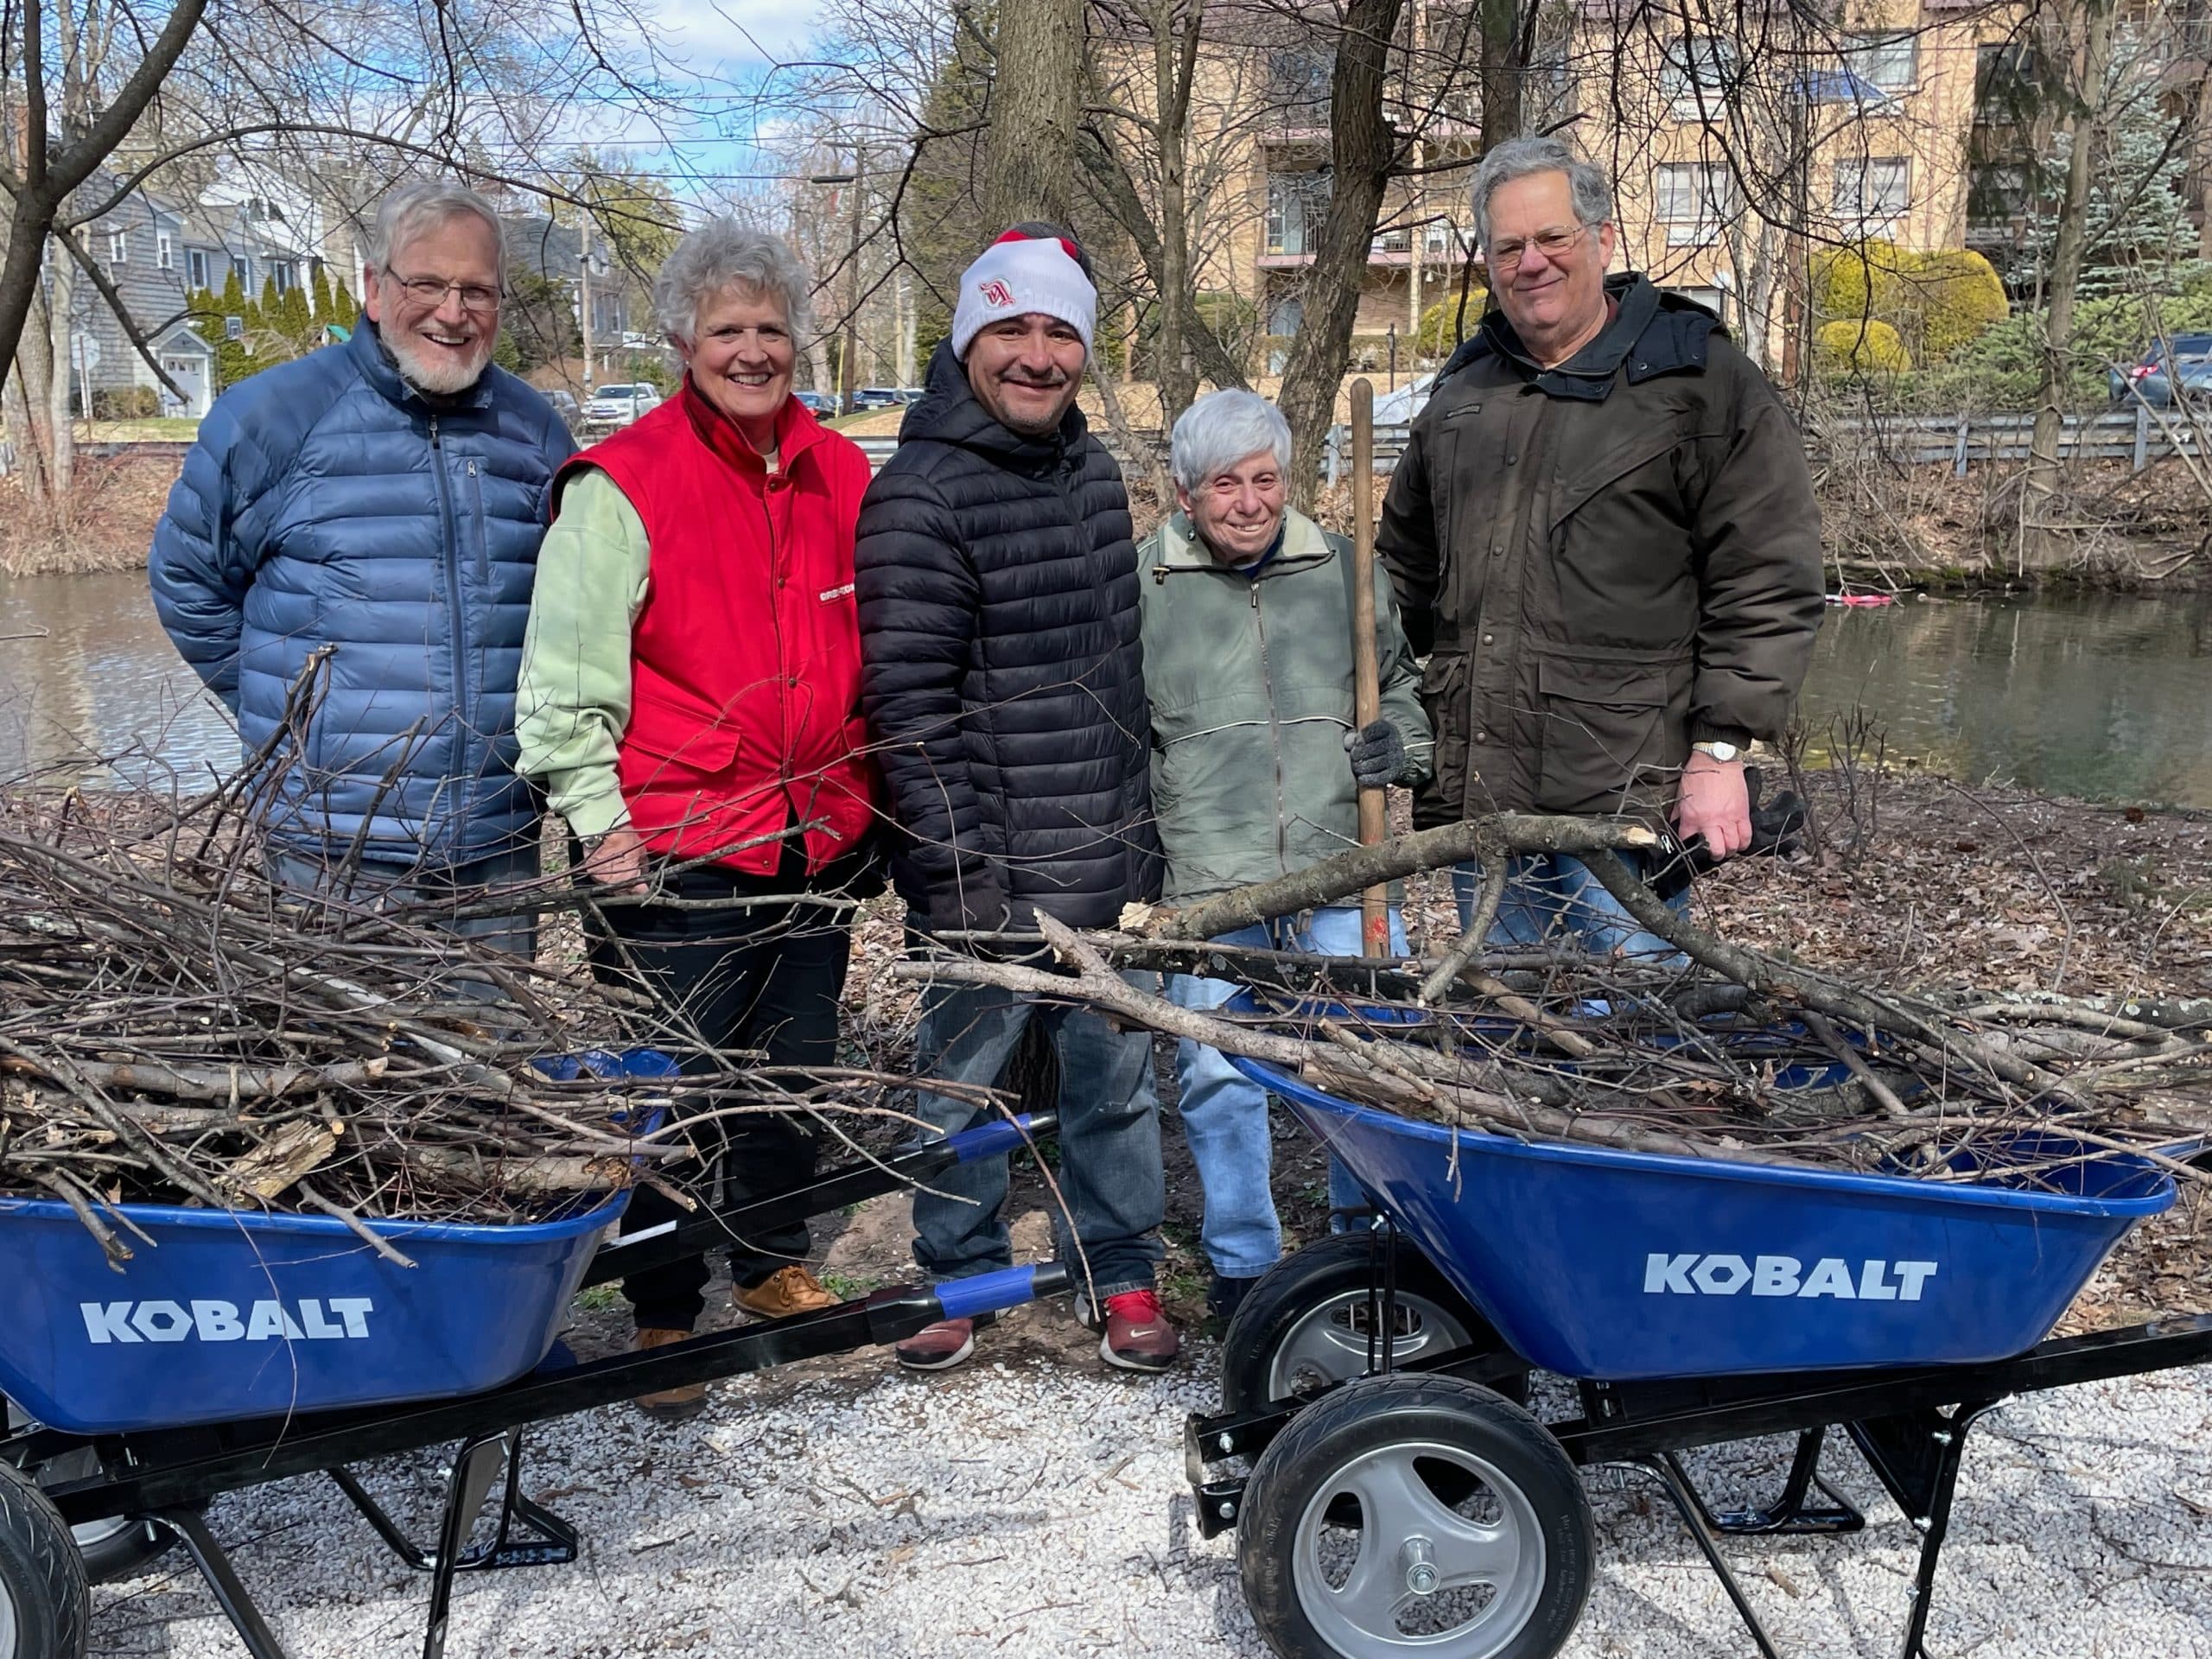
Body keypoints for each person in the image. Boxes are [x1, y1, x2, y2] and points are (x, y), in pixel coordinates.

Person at [513, 221, 880, 1421]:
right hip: (673, 840)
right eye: (729, 329)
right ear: (682, 341)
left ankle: (771, 1263)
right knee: (669, 1085)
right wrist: (602, 826)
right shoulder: (623, 484)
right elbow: (565, 687)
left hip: (811, 829)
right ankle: (660, 1300)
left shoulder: (841, 471)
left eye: (772, 329)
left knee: (792, 1071)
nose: (753, 349)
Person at [855, 225, 1174, 1375]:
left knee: (1115, 1093)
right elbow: (909, 713)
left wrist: (1144, 843)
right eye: (1012, 329)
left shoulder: (1090, 471)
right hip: (980, 872)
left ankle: (1120, 1272)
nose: (1038, 355)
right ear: (967, 341)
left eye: (1060, 330)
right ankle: (964, 1278)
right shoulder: (919, 496)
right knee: (961, 1099)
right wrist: (957, 878)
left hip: (1103, 855)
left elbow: (1121, 669)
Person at [1376, 137, 1823, 956]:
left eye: (1553, 238)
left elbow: (1766, 579)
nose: (1532, 263)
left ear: (1603, 239)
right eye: (1509, 247)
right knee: (1509, 1033)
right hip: (1488, 798)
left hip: (1627, 797)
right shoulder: (1464, 396)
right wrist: (1379, 708)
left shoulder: (1697, 385)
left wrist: (1721, 750)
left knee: (1639, 1034)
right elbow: (1401, 576)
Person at [149, 181, 575, 962]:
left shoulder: (535, 431)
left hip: (495, 838)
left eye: (477, 289)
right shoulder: (271, 418)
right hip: (332, 845)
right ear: (375, 288)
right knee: (352, 1072)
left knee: (494, 1064)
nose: (453, 311)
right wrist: (293, 718)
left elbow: (575, 610)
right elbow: (187, 583)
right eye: (427, 283)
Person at [1139, 390, 1433, 1321]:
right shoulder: (1143, 584)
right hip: (1210, 877)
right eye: (1225, 483)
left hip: (1339, 863)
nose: (1249, 502)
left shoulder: (1343, 571)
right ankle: (1242, 1268)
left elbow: (1406, 689)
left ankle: (1363, 1249)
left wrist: (1403, 747)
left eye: (1265, 479)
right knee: (1220, 1078)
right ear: (1186, 494)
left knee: (1357, 1065)